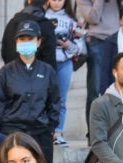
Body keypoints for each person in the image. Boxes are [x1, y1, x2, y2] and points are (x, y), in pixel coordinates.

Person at [0, 20, 60, 163]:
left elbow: (54, 103)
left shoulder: (47, 71)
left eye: (30, 39)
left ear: (38, 41)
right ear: (16, 42)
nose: (26, 42)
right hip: (11, 133)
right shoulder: (6, 72)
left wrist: (49, 129)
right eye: (22, 39)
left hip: (40, 134)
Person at [76, 0, 120, 139]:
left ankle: (115, 130)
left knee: (117, 87)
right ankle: (94, 133)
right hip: (96, 42)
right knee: (95, 89)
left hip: (115, 39)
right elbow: (92, 17)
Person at [45, 0, 85, 147]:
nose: (56, 3)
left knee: (61, 99)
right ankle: (45, 132)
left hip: (64, 63)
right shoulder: (42, 17)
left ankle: (58, 132)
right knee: (45, 97)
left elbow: (79, 47)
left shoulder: (72, 21)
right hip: (46, 63)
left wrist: (67, 44)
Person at [1, 0, 57, 70]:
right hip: (40, 76)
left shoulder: (12, 23)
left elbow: (4, 52)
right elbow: (50, 57)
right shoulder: (46, 25)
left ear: (29, 1)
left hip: (13, 73)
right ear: (47, 3)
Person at [100, 7, 123, 94]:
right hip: (116, 88)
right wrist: (104, 93)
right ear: (120, 20)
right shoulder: (110, 41)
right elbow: (105, 69)